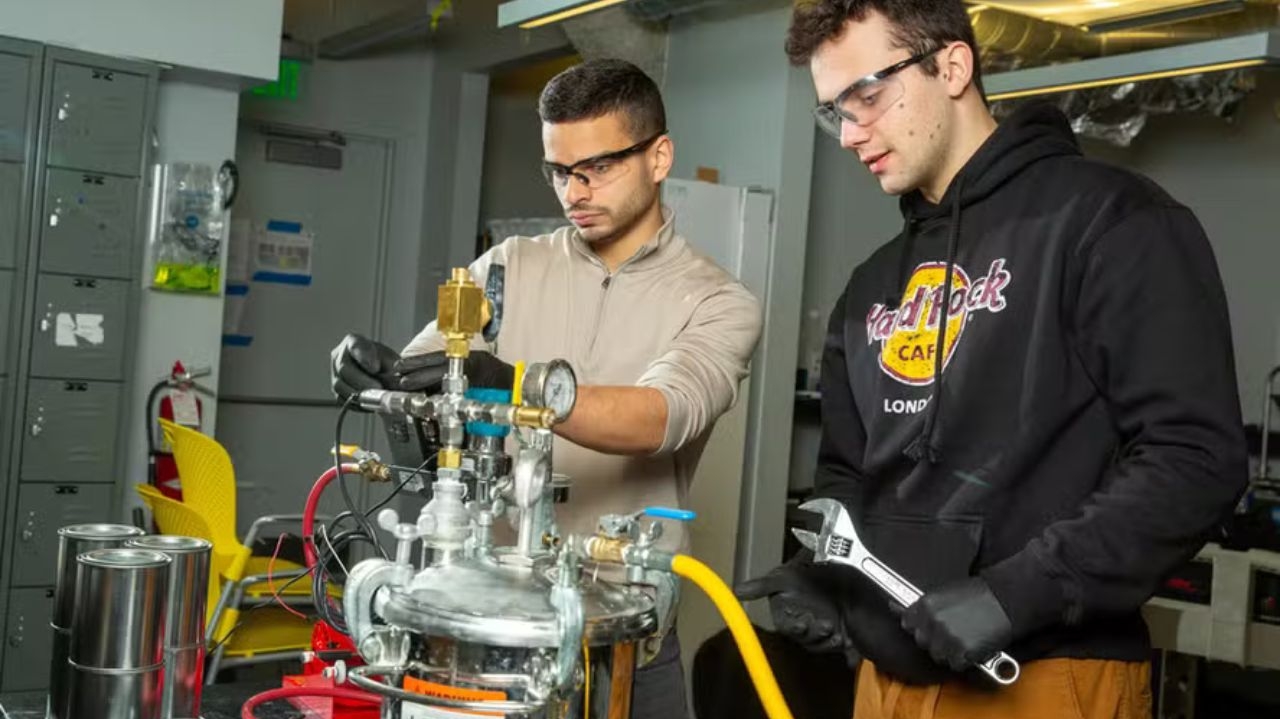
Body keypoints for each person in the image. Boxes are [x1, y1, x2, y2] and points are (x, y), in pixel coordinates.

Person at [737, 1, 1248, 717]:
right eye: (834, 112)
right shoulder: (870, 286)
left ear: (952, 66)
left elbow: (1194, 458)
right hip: (884, 682)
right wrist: (824, 578)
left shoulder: (1109, 223)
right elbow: (851, 474)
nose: (851, 135)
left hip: (1042, 678)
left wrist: (1018, 592)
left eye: (868, 97)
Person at [331, 58, 762, 719]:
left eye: (598, 167)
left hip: (623, 632)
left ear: (658, 156)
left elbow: (660, 415)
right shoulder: (507, 268)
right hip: (492, 620)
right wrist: (378, 377)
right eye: (560, 170)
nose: (574, 191)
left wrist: (516, 383)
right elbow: (430, 378)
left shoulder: (718, 300)